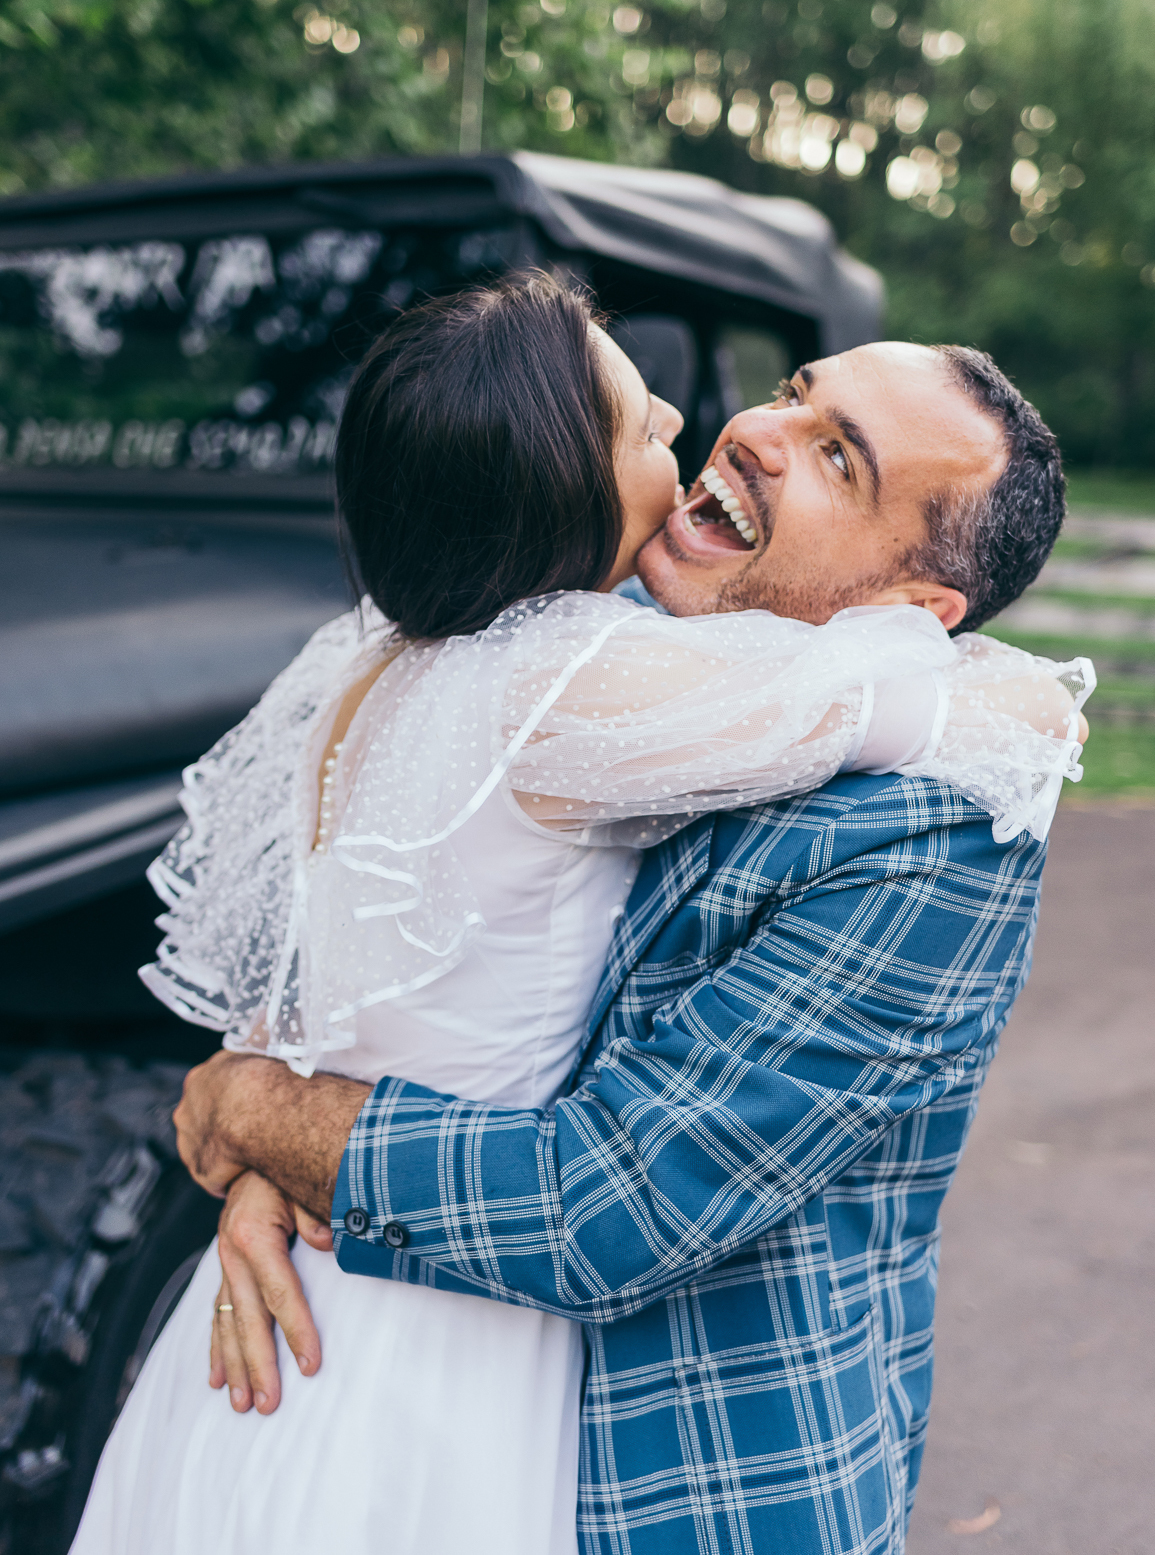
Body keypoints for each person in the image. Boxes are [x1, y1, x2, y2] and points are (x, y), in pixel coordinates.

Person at [71, 276, 1089, 1555]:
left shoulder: (931, 831)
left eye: (836, 456)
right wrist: (269, 1152)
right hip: (398, 1367)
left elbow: (612, 1202)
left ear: (914, 611)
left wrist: (267, 1116)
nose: (744, 431)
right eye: (793, 392)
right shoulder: (571, 638)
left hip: (681, 1464)